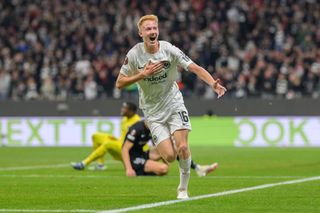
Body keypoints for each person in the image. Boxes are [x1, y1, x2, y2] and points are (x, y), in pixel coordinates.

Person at [115, 14, 226, 199]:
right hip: (152, 112)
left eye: (154, 28)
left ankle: (182, 189)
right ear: (140, 33)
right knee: (169, 156)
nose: (152, 31)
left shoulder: (169, 49)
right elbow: (120, 83)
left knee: (182, 146)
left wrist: (212, 84)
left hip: (174, 103)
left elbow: (194, 67)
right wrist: (142, 74)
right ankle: (194, 165)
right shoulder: (134, 55)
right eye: (148, 29)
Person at [122, 120, 218, 177]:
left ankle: (198, 168)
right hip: (133, 159)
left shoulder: (152, 129)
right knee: (163, 169)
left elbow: (158, 147)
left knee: (173, 148)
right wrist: (129, 169)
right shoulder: (137, 129)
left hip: (142, 154)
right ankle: (138, 171)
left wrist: (166, 159)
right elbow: (124, 149)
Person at [71, 102, 141, 170]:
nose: (122, 109)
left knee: (107, 144)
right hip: (121, 144)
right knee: (96, 136)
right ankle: (100, 165)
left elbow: (139, 140)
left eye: (125, 108)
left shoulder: (137, 122)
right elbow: (125, 135)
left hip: (129, 151)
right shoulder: (124, 120)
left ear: (131, 111)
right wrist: (116, 139)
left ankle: (83, 163)